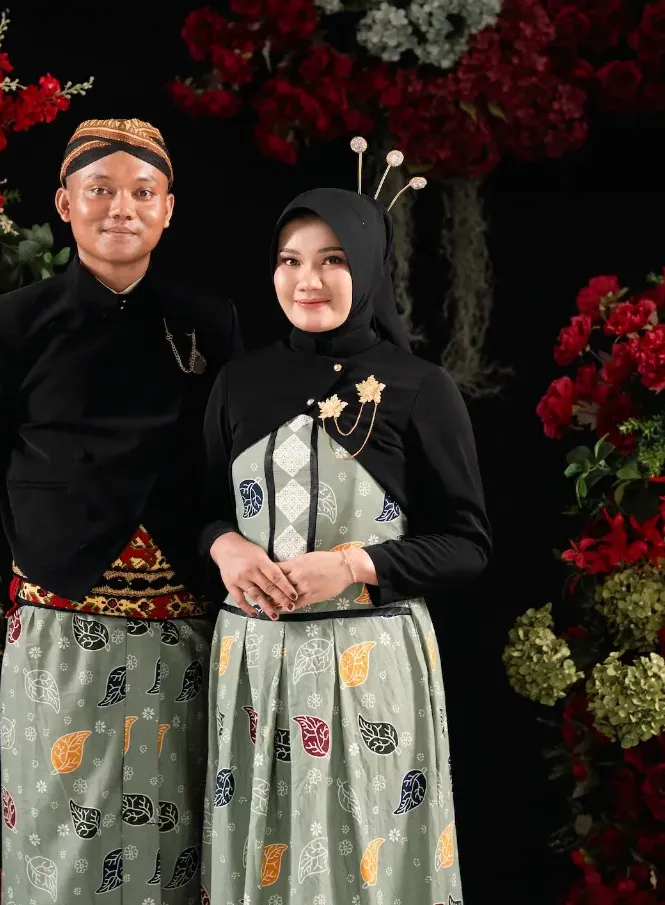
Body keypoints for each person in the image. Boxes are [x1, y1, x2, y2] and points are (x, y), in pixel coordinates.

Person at [0, 117, 244, 905]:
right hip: (62, 627)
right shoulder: (7, 323)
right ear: (64, 203)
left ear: (168, 209)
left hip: (184, 628)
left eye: (142, 192)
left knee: (180, 844)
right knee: (62, 846)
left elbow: (228, 467)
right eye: (100, 188)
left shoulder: (208, 322)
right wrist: (50, 541)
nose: (121, 208)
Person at [197, 183, 491, 904]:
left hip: (368, 664)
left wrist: (355, 564)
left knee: (369, 859)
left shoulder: (418, 387)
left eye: (332, 259)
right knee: (261, 854)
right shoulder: (239, 382)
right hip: (254, 664)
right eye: (290, 260)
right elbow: (198, 507)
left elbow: (467, 542)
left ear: (368, 266)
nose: (308, 280)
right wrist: (223, 544)